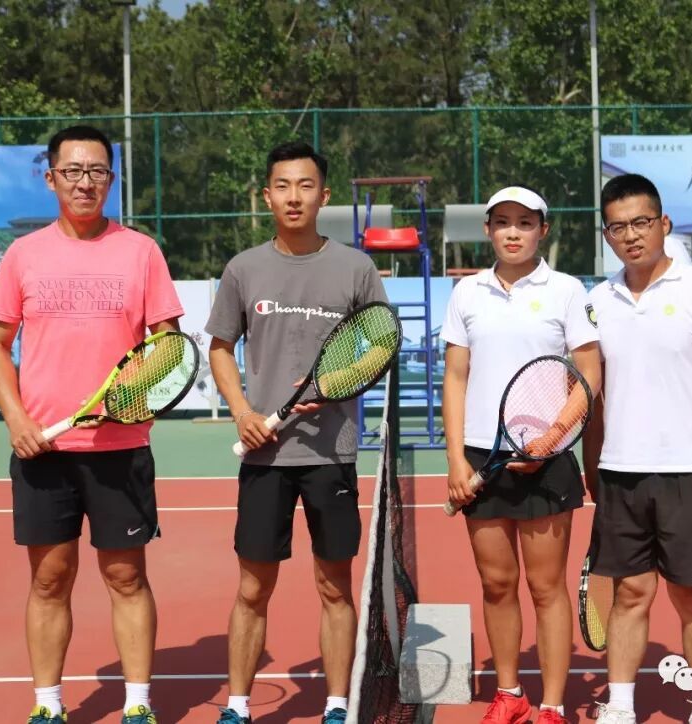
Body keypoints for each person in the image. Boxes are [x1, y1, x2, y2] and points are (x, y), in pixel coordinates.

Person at [0, 125, 183, 724]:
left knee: (126, 576)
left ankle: (138, 704)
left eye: (96, 171)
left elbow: (168, 345)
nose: (85, 182)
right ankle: (48, 705)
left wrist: (135, 392)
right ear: (51, 178)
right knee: (49, 580)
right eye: (72, 171)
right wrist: (16, 418)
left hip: (120, 447)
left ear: (111, 180)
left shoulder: (141, 251)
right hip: (42, 451)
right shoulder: (23, 255)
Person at [206, 141, 388, 724]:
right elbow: (220, 347)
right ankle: (237, 707)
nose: (293, 196)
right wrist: (242, 412)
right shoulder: (243, 269)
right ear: (267, 196)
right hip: (264, 458)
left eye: (305, 186)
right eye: (282, 186)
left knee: (334, 586)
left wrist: (336, 388)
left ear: (323, 195)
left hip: (331, 454)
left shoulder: (356, 268)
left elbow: (378, 345)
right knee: (252, 589)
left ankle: (336, 705)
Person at [583, 174, 692, 724]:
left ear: (664, 224)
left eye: (641, 223)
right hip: (620, 473)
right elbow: (593, 394)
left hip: (689, 473)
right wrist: (592, 464)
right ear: (607, 235)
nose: (631, 236)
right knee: (629, 593)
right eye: (618, 227)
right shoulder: (596, 302)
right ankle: (620, 706)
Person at [442, 185, 602, 724]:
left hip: (547, 458)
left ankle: (552, 705)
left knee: (546, 587)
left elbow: (588, 375)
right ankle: (510, 694)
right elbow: (456, 377)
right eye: (503, 222)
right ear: (488, 230)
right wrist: (456, 461)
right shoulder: (467, 293)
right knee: (496, 584)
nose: (513, 232)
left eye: (525, 223)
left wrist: (552, 438)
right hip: (481, 456)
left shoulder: (567, 291)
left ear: (543, 231)